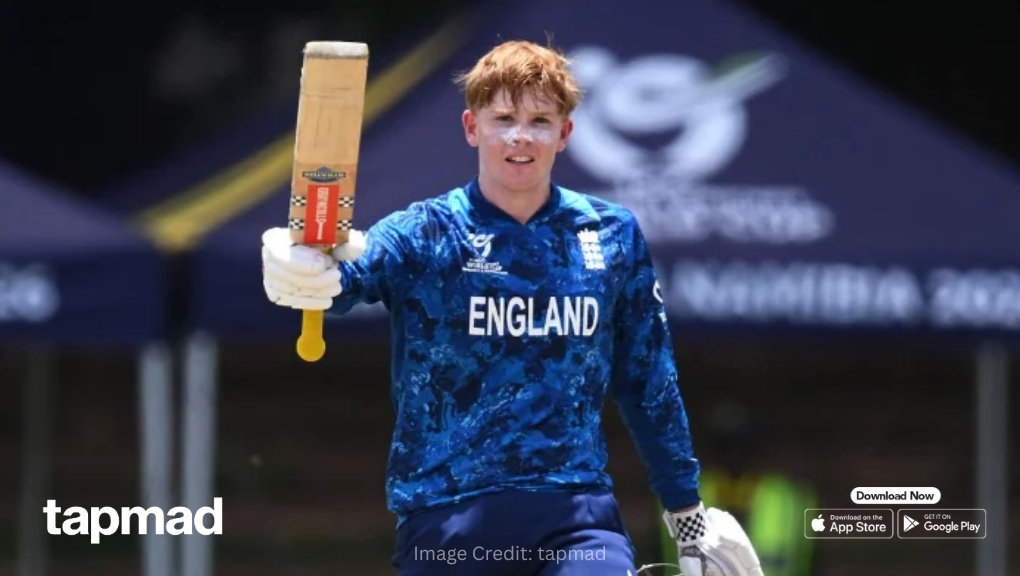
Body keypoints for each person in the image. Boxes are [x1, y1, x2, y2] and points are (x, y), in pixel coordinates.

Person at [261, 39, 764, 576]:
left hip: (578, 516)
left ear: (565, 134)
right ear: (471, 127)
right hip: (448, 519)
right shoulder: (427, 231)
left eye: (540, 121)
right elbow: (343, 280)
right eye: (503, 117)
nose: (521, 136)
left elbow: (649, 382)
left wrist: (688, 515)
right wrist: (301, 271)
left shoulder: (611, 234)